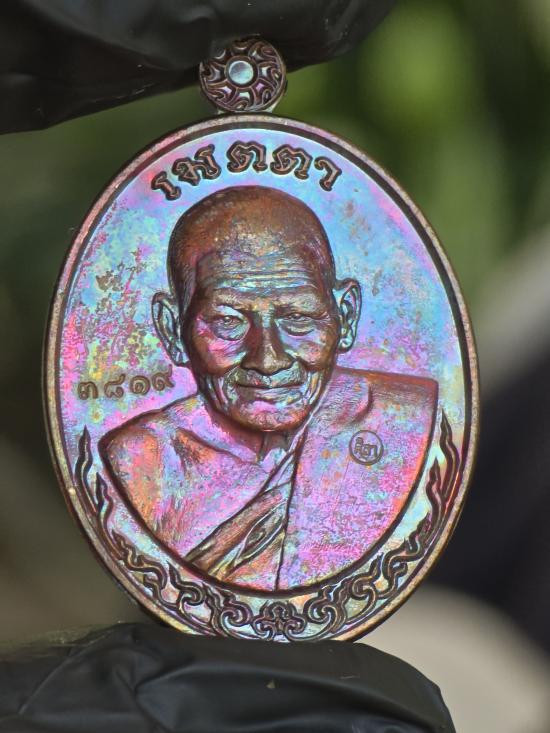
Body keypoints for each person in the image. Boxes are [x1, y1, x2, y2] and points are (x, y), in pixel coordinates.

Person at [100, 185, 437, 591]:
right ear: (173, 328)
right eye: (228, 322)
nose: (268, 359)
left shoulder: (408, 422)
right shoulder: (144, 465)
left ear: (345, 315)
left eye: (298, 318)